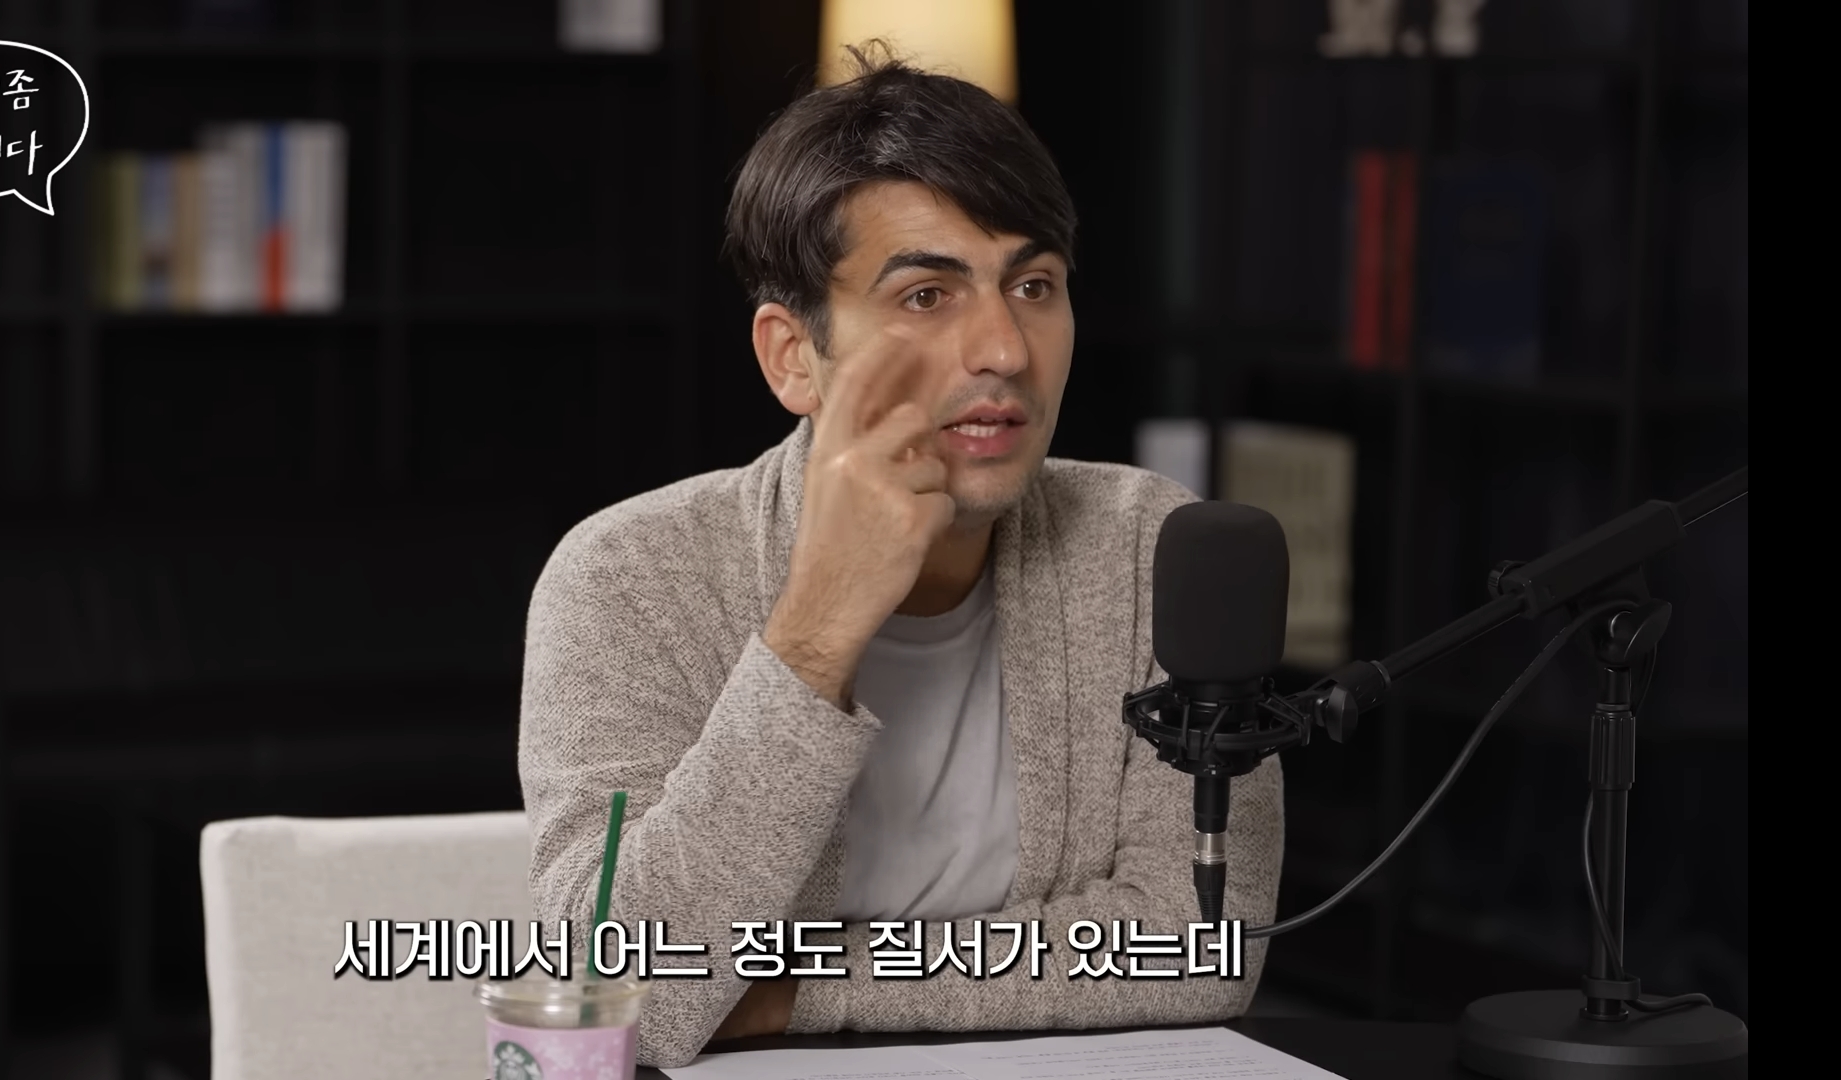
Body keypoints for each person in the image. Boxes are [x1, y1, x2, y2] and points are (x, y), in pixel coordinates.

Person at [518, 46, 1284, 1068]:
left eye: (1034, 285)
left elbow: (1201, 944)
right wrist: (815, 631)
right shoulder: (629, 578)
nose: (1004, 350)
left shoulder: (1151, 546)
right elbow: (615, 988)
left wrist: (796, 989)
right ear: (794, 356)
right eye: (927, 296)